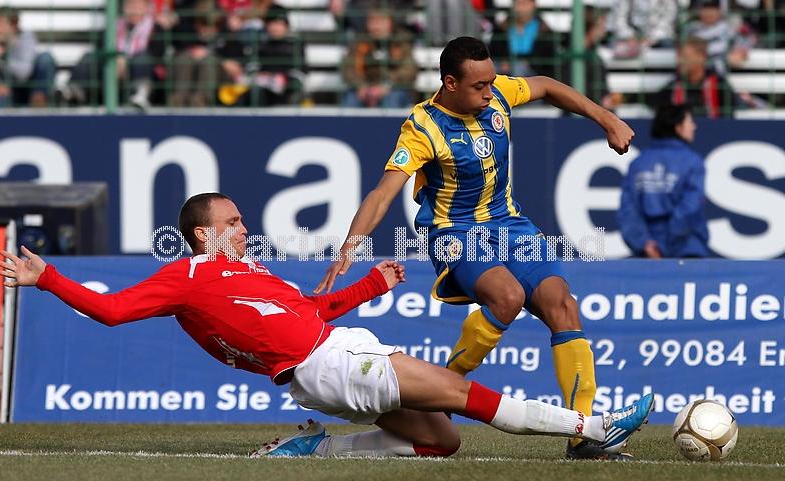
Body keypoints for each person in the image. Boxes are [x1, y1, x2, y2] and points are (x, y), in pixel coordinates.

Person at [0, 193, 653, 459]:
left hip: (328, 360)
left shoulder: (253, 272)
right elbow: (111, 310)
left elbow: (310, 312)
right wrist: (48, 278)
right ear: (201, 232)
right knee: (462, 395)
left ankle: (316, 451)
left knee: (441, 442)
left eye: (241, 220)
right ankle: (593, 428)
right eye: (232, 221)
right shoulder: (187, 274)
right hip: (329, 366)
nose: (244, 227)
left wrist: (371, 286)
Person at [315, 36, 637, 460]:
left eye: (491, 82)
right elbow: (382, 193)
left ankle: (584, 435)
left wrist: (605, 118)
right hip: (455, 233)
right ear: (450, 83)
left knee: (562, 303)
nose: (489, 92)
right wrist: (349, 247)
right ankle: (441, 393)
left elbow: (545, 85)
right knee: (508, 297)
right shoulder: (423, 128)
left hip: (509, 224)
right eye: (479, 86)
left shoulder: (497, 93)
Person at [618, 104, 710, 259]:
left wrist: (645, 244)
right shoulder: (692, 162)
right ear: (678, 127)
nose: (694, 127)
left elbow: (628, 210)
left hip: (649, 255)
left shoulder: (638, 163)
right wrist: (664, 245)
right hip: (687, 252)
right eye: (690, 122)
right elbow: (691, 207)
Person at [341, 8, 417, 108]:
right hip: (365, 88)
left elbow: (409, 71)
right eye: (372, 21)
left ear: (390, 23)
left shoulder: (401, 41)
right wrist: (361, 86)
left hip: (394, 88)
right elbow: (348, 68)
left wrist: (387, 85)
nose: (376, 26)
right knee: (351, 99)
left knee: (393, 98)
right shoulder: (360, 40)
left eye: (380, 21)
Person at [0, 7, 55, 107]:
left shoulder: (26, 37)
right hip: (8, 91)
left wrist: (1, 55)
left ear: (14, 26)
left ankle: (39, 103)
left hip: (29, 88)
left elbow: (23, 74)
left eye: (2, 25)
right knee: (0, 95)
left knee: (46, 59)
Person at [654, 37, 736, 118]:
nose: (681, 61)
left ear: (702, 57)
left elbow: (731, 115)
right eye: (679, 57)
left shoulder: (719, 85)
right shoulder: (673, 86)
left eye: (685, 57)